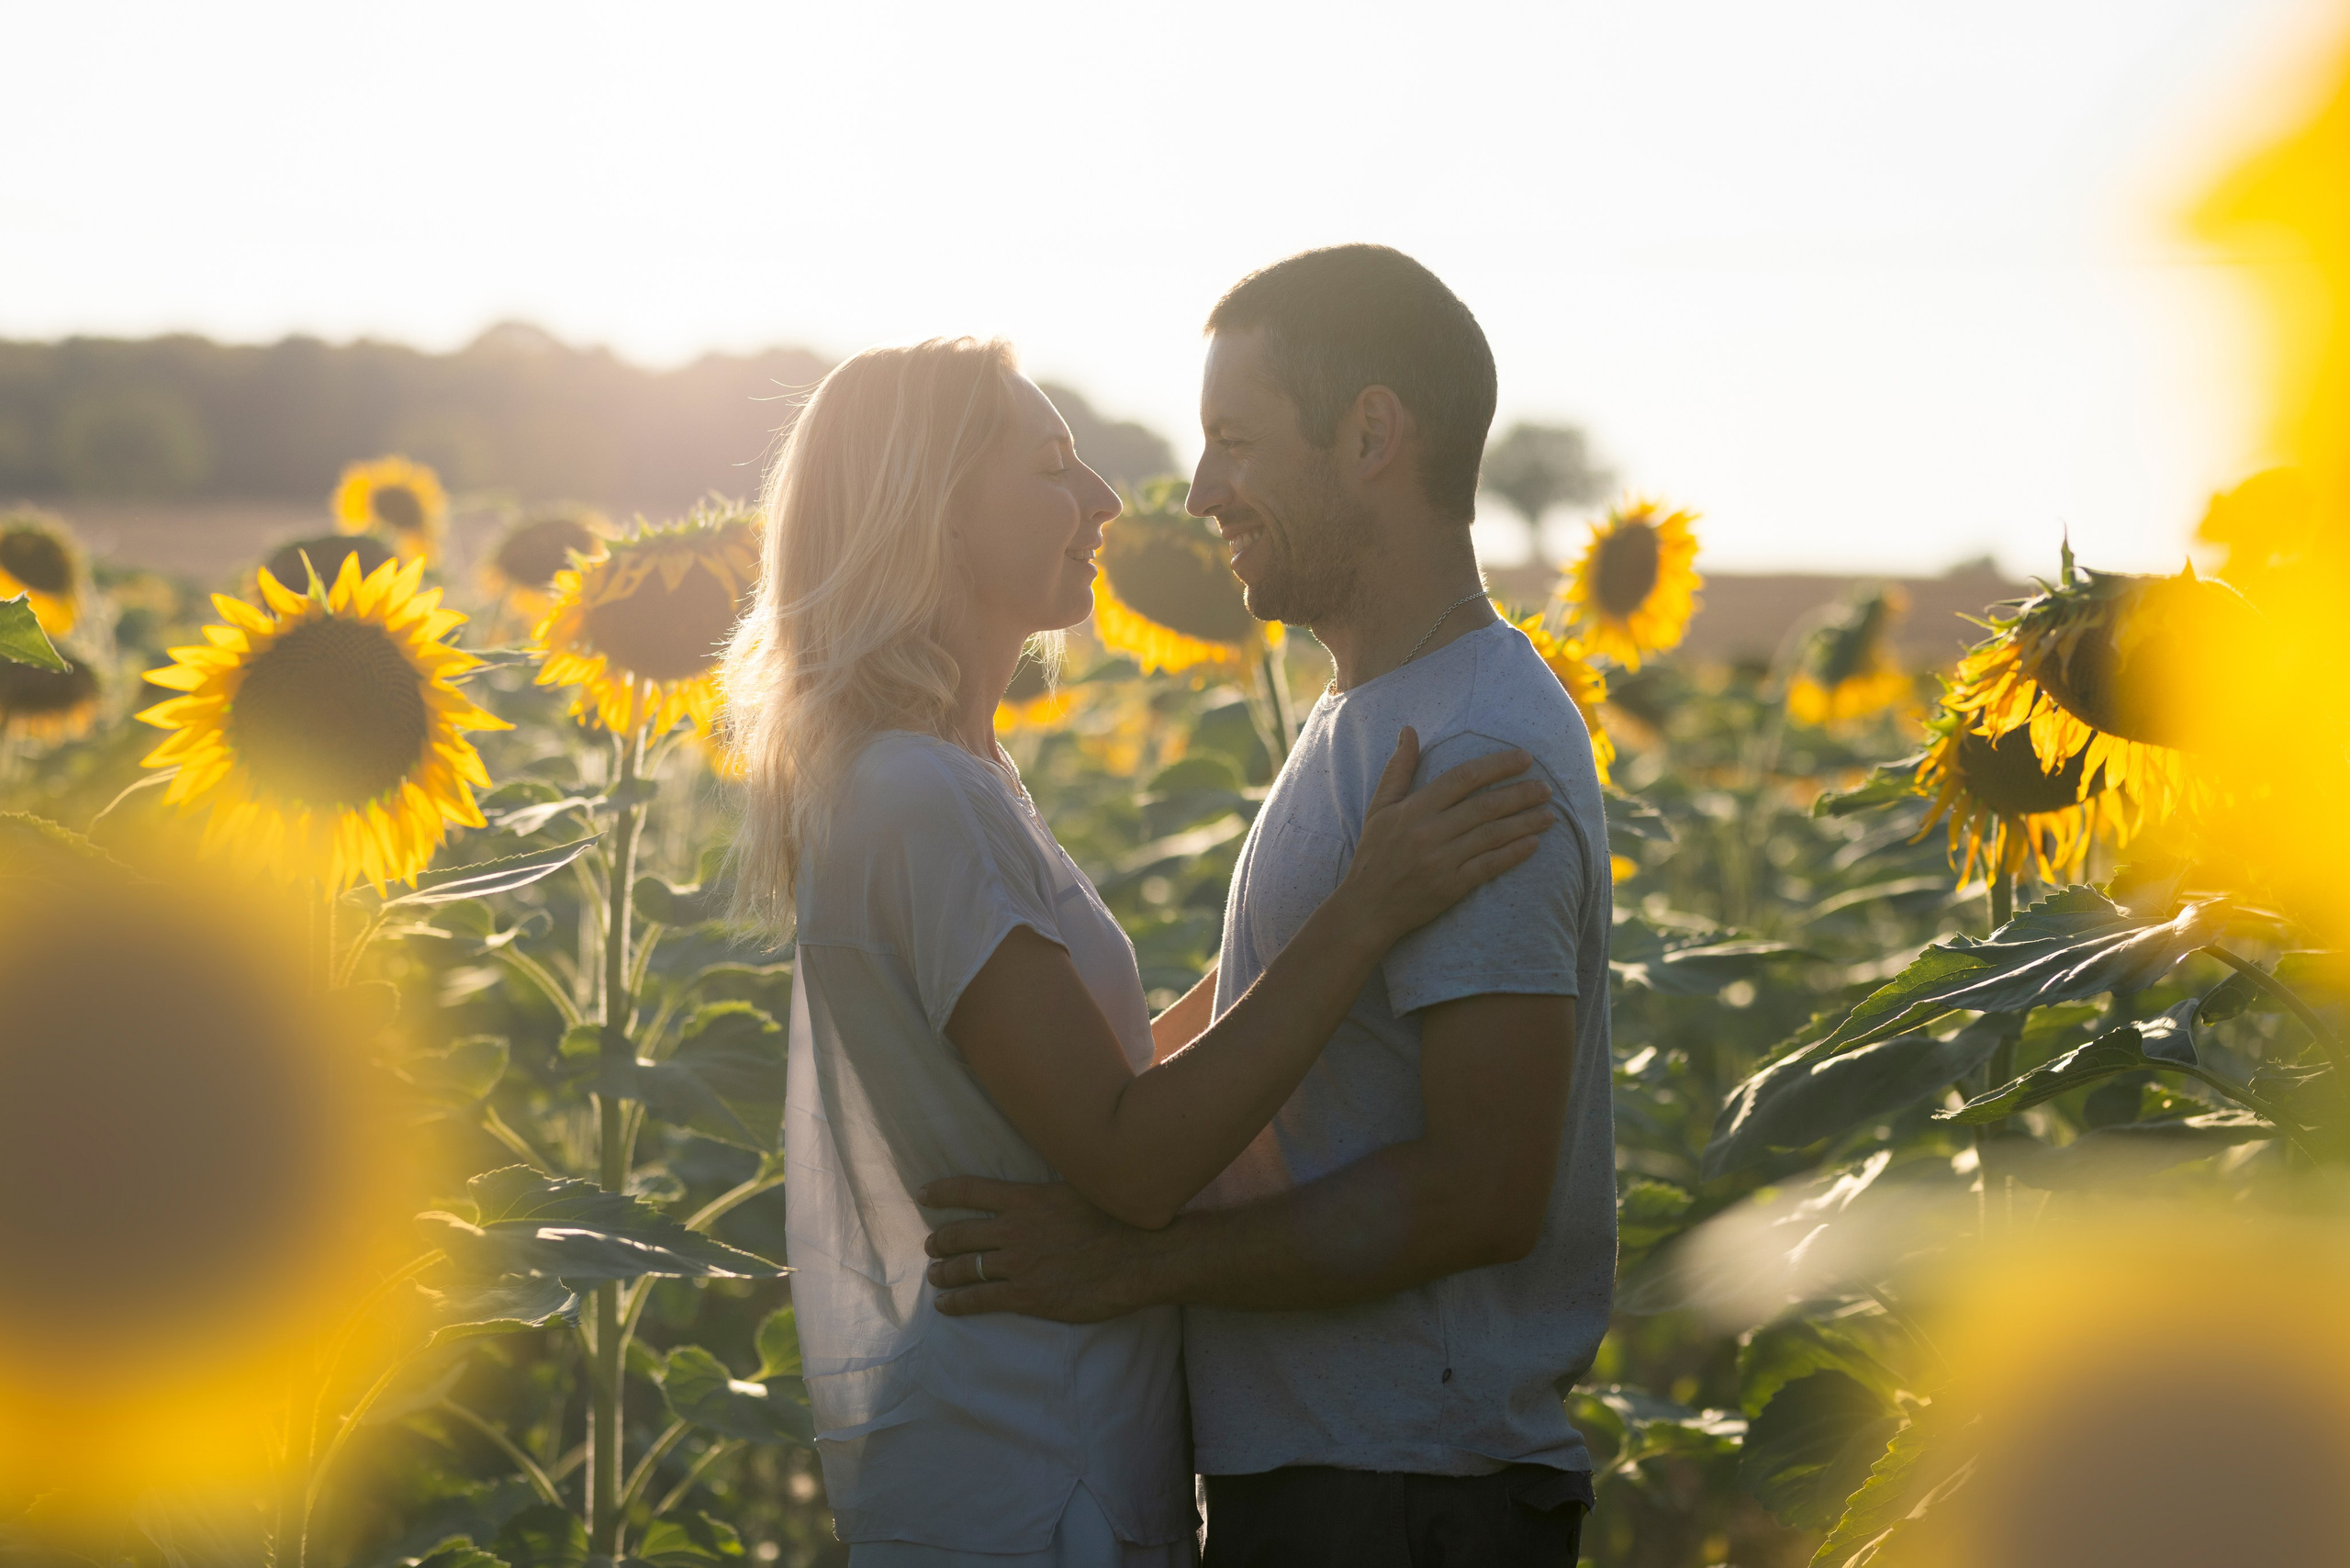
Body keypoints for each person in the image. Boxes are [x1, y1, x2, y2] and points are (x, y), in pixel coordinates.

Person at [720, 334, 1559, 1566]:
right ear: (933, 508)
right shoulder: (917, 796)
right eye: (1053, 466)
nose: (1109, 501)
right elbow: (1128, 1158)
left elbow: (1083, 1081)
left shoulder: (960, 776)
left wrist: (1331, 910)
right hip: (1025, 1467)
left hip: (1055, 1432)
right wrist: (1365, 911)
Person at [919, 247, 1617, 1567]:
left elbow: (1485, 1192)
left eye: (1236, 441)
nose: (1199, 494)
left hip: (1411, 1486)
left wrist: (1130, 1264)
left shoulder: (1474, 748)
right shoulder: (1372, 710)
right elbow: (1269, 1008)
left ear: (1370, 435)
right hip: (1341, 1474)